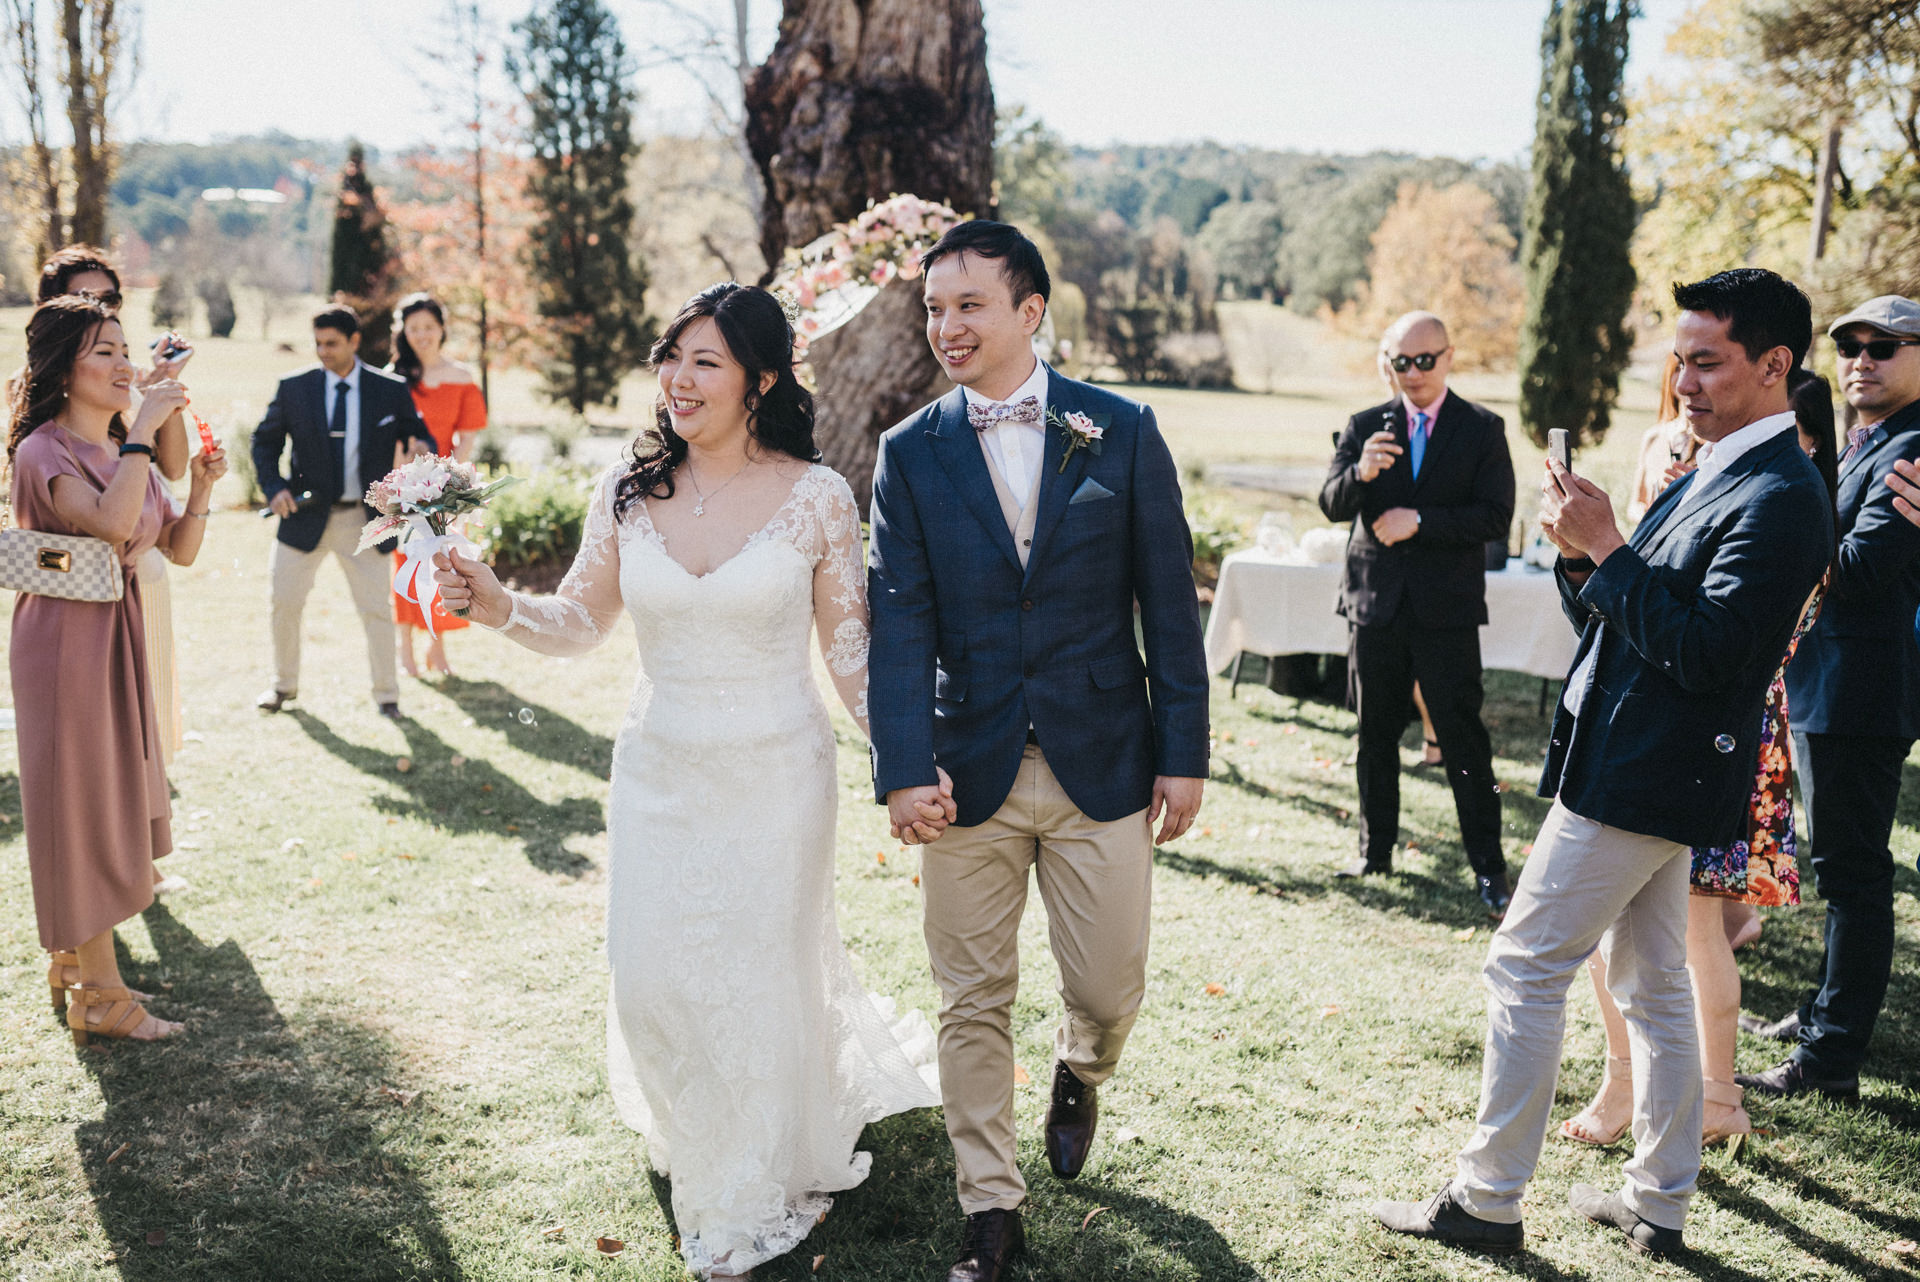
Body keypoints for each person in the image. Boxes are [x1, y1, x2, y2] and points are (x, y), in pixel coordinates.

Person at [430, 283, 941, 1279]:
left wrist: (902, 761)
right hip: (659, 770)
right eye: (671, 357)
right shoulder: (628, 487)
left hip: (777, 778)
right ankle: (706, 1126)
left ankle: (747, 1179)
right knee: (655, 979)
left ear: (760, 378)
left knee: (758, 977)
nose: (678, 379)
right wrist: (495, 606)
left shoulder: (818, 496)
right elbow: (579, 621)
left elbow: (848, 653)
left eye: (704, 361)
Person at [1373, 268, 1832, 1259]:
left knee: (1526, 962)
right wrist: (1586, 560)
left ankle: (1487, 1200)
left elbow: (1711, 654)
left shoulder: (1785, 492)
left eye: (1706, 361)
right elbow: (1632, 623)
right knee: (1654, 980)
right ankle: (1658, 1199)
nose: (1685, 380)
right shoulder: (1715, 462)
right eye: (1679, 358)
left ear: (1775, 365)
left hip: (1651, 767)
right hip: (1634, 752)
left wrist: (1610, 546)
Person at [866, 220, 1210, 1282]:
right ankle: (991, 1213)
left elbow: (1168, 600)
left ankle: (1080, 1066)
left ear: (1030, 311)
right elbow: (899, 618)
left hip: (1103, 753)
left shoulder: (1123, 430)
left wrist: (1185, 748)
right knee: (970, 995)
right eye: (933, 307)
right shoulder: (909, 451)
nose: (946, 325)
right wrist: (903, 765)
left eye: (969, 303)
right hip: (963, 769)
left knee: (1109, 986)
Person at [1556, 368, 1838, 1152]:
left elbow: (1697, 637)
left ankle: (1687, 1095)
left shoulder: (1780, 506)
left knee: (1682, 930)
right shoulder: (1767, 497)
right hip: (1743, 732)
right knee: (1681, 930)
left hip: (1718, 734)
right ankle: (1687, 1096)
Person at [5, 295, 226, 1044]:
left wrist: (197, 486)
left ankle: (79, 963)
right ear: (64, 368)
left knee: (107, 794)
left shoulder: (112, 445)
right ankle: (100, 997)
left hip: (118, 635)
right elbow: (103, 522)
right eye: (104, 351)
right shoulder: (45, 450)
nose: (124, 363)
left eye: (125, 348)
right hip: (65, 645)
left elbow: (180, 551)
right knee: (80, 803)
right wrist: (140, 431)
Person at [1739, 294, 1920, 1102]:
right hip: (1829, 683)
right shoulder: (1868, 442)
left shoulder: (1912, 449)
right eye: (1849, 345)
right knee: (1839, 867)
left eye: (1885, 345)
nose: (1861, 358)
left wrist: (1775, 527)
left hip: (1862, 689)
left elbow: (1857, 568)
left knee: (1852, 873)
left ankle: (1832, 1057)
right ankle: (1820, 1016)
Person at [1318, 311, 1517, 916]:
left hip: (1446, 612)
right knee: (1374, 735)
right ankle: (1375, 852)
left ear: (1449, 356)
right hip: (1375, 606)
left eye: (1424, 360)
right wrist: (1361, 474)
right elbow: (1330, 503)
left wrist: (1421, 521)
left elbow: (1494, 518)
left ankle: (1489, 868)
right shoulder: (1363, 426)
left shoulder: (1482, 429)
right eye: (1401, 362)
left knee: (1464, 741)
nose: (1413, 373)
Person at [36, 247, 194, 777]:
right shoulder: (43, 397)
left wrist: (154, 390)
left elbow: (171, 469)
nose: (103, 306)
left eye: (111, 298)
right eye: (87, 297)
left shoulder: (117, 379)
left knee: (143, 732)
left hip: (139, 573)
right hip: (75, 586)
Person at [251, 305, 435, 719]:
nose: (322, 351)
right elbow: (263, 443)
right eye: (317, 343)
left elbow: (419, 432)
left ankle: (388, 696)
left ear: (354, 341)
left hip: (365, 521)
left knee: (375, 609)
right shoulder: (293, 387)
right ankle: (283, 686)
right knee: (283, 602)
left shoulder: (389, 388)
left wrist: (421, 448)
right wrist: (274, 487)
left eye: (331, 343)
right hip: (303, 516)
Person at [388, 293, 486, 677]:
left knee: (442, 564)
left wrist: (453, 486)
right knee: (405, 563)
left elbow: (468, 437)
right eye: (414, 328)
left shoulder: (461, 377)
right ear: (403, 331)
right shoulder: (392, 377)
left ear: (441, 328)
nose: (422, 335)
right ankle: (405, 648)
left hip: (445, 488)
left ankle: (437, 647)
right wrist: (399, 481)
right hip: (402, 485)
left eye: (429, 327)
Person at [1627, 352, 1689, 523]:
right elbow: (1634, 505)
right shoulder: (1653, 437)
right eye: (1679, 368)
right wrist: (1647, 516)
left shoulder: (1711, 441)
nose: (1685, 376)